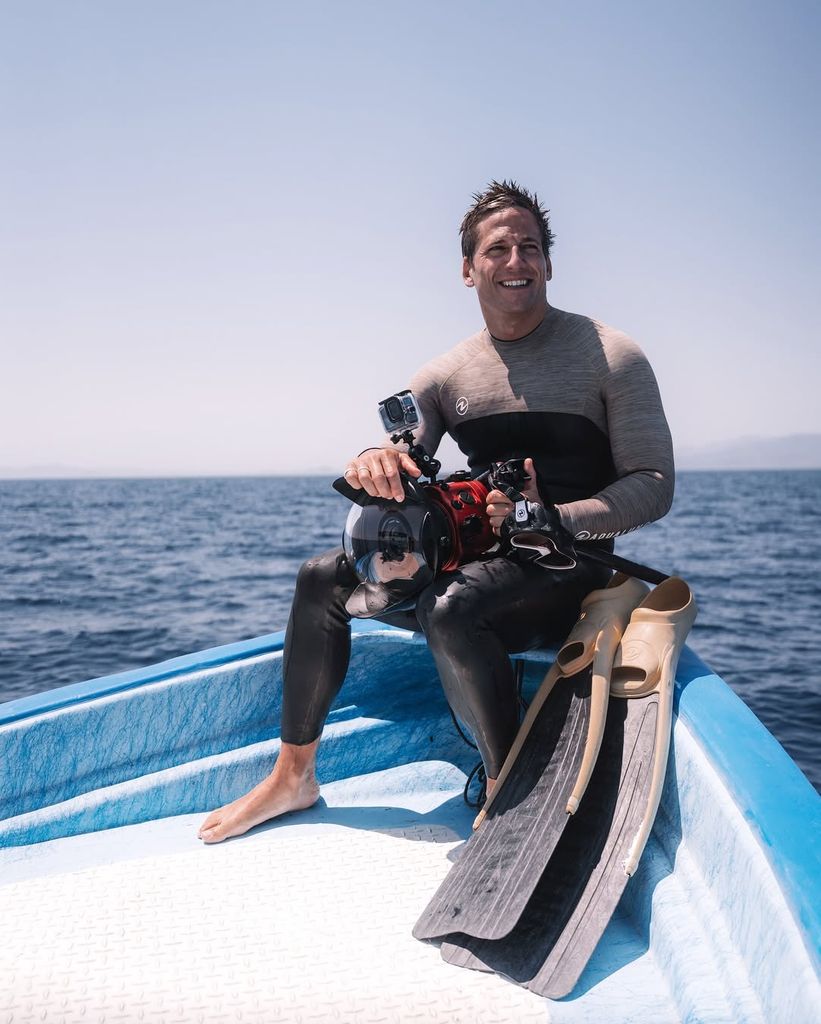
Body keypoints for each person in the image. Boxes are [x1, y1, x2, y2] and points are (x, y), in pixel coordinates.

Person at [198, 180, 674, 844]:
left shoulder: (611, 356)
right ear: (467, 268)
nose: (515, 261)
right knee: (322, 579)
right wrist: (375, 459)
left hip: (575, 569)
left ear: (548, 263)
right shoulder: (450, 373)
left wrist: (559, 518)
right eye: (498, 248)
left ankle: (508, 786)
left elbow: (653, 484)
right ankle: (293, 777)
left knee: (452, 606)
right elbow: (402, 442)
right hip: (486, 559)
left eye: (529, 247)